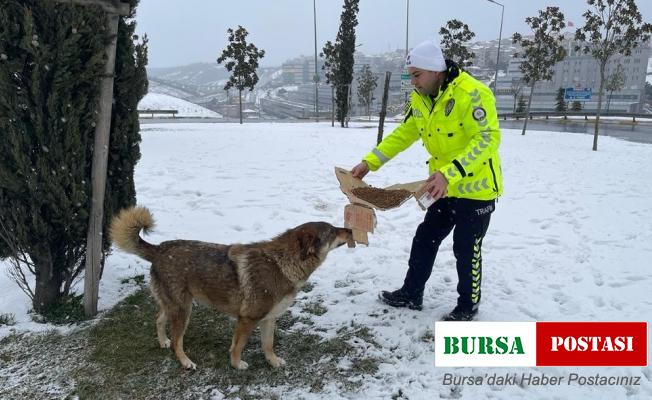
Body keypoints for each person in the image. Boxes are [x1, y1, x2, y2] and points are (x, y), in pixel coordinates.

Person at [350, 39, 503, 321]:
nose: (413, 82)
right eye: (410, 75)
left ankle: (467, 307)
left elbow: (488, 139)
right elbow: (405, 133)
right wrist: (369, 162)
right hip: (441, 188)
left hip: (476, 190)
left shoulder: (473, 94)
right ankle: (411, 293)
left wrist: (450, 172)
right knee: (425, 238)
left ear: (435, 71)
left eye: (417, 75)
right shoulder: (419, 98)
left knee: (466, 249)